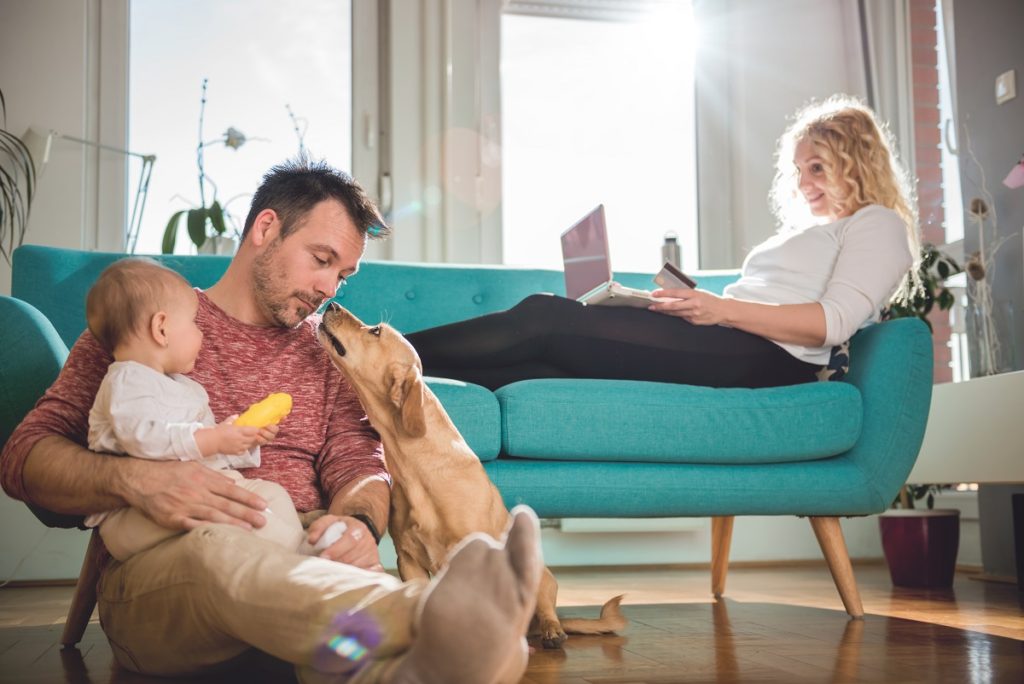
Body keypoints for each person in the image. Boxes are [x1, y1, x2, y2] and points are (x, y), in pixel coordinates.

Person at [0, 157, 543, 684]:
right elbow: (25, 457)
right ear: (265, 228)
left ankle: (410, 666)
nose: (331, 288)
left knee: (344, 628)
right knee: (222, 552)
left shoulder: (327, 354)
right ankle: (434, 615)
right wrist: (138, 482)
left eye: (343, 274)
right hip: (177, 561)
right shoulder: (147, 324)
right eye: (321, 258)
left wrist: (358, 523)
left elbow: (361, 463)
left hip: (303, 555)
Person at [405, 95, 920, 390]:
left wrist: (719, 310)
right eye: (798, 169)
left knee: (544, 316)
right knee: (539, 370)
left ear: (856, 162)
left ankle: (377, 353)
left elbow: (832, 324)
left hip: (770, 359)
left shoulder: (877, 223)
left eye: (818, 167)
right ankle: (372, 386)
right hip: (731, 337)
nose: (804, 182)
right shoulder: (811, 231)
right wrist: (689, 306)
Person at [83, 257, 331, 561]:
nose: (202, 334)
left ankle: (300, 551)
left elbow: (201, 448)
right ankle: (304, 559)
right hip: (135, 515)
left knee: (274, 496)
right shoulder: (126, 380)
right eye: (193, 324)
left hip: (204, 493)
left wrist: (239, 439)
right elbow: (143, 438)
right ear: (161, 329)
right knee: (242, 522)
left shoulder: (184, 387)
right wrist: (214, 438)